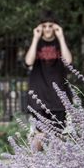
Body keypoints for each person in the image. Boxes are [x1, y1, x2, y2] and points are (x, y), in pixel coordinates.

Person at [25, 10, 72, 150]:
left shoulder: (60, 43)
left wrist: (61, 37)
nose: (47, 29)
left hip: (58, 97)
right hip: (38, 96)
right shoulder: (36, 43)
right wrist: (35, 38)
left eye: (50, 26)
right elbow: (28, 62)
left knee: (57, 135)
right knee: (39, 135)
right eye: (44, 26)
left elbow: (68, 62)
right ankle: (34, 167)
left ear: (55, 27)